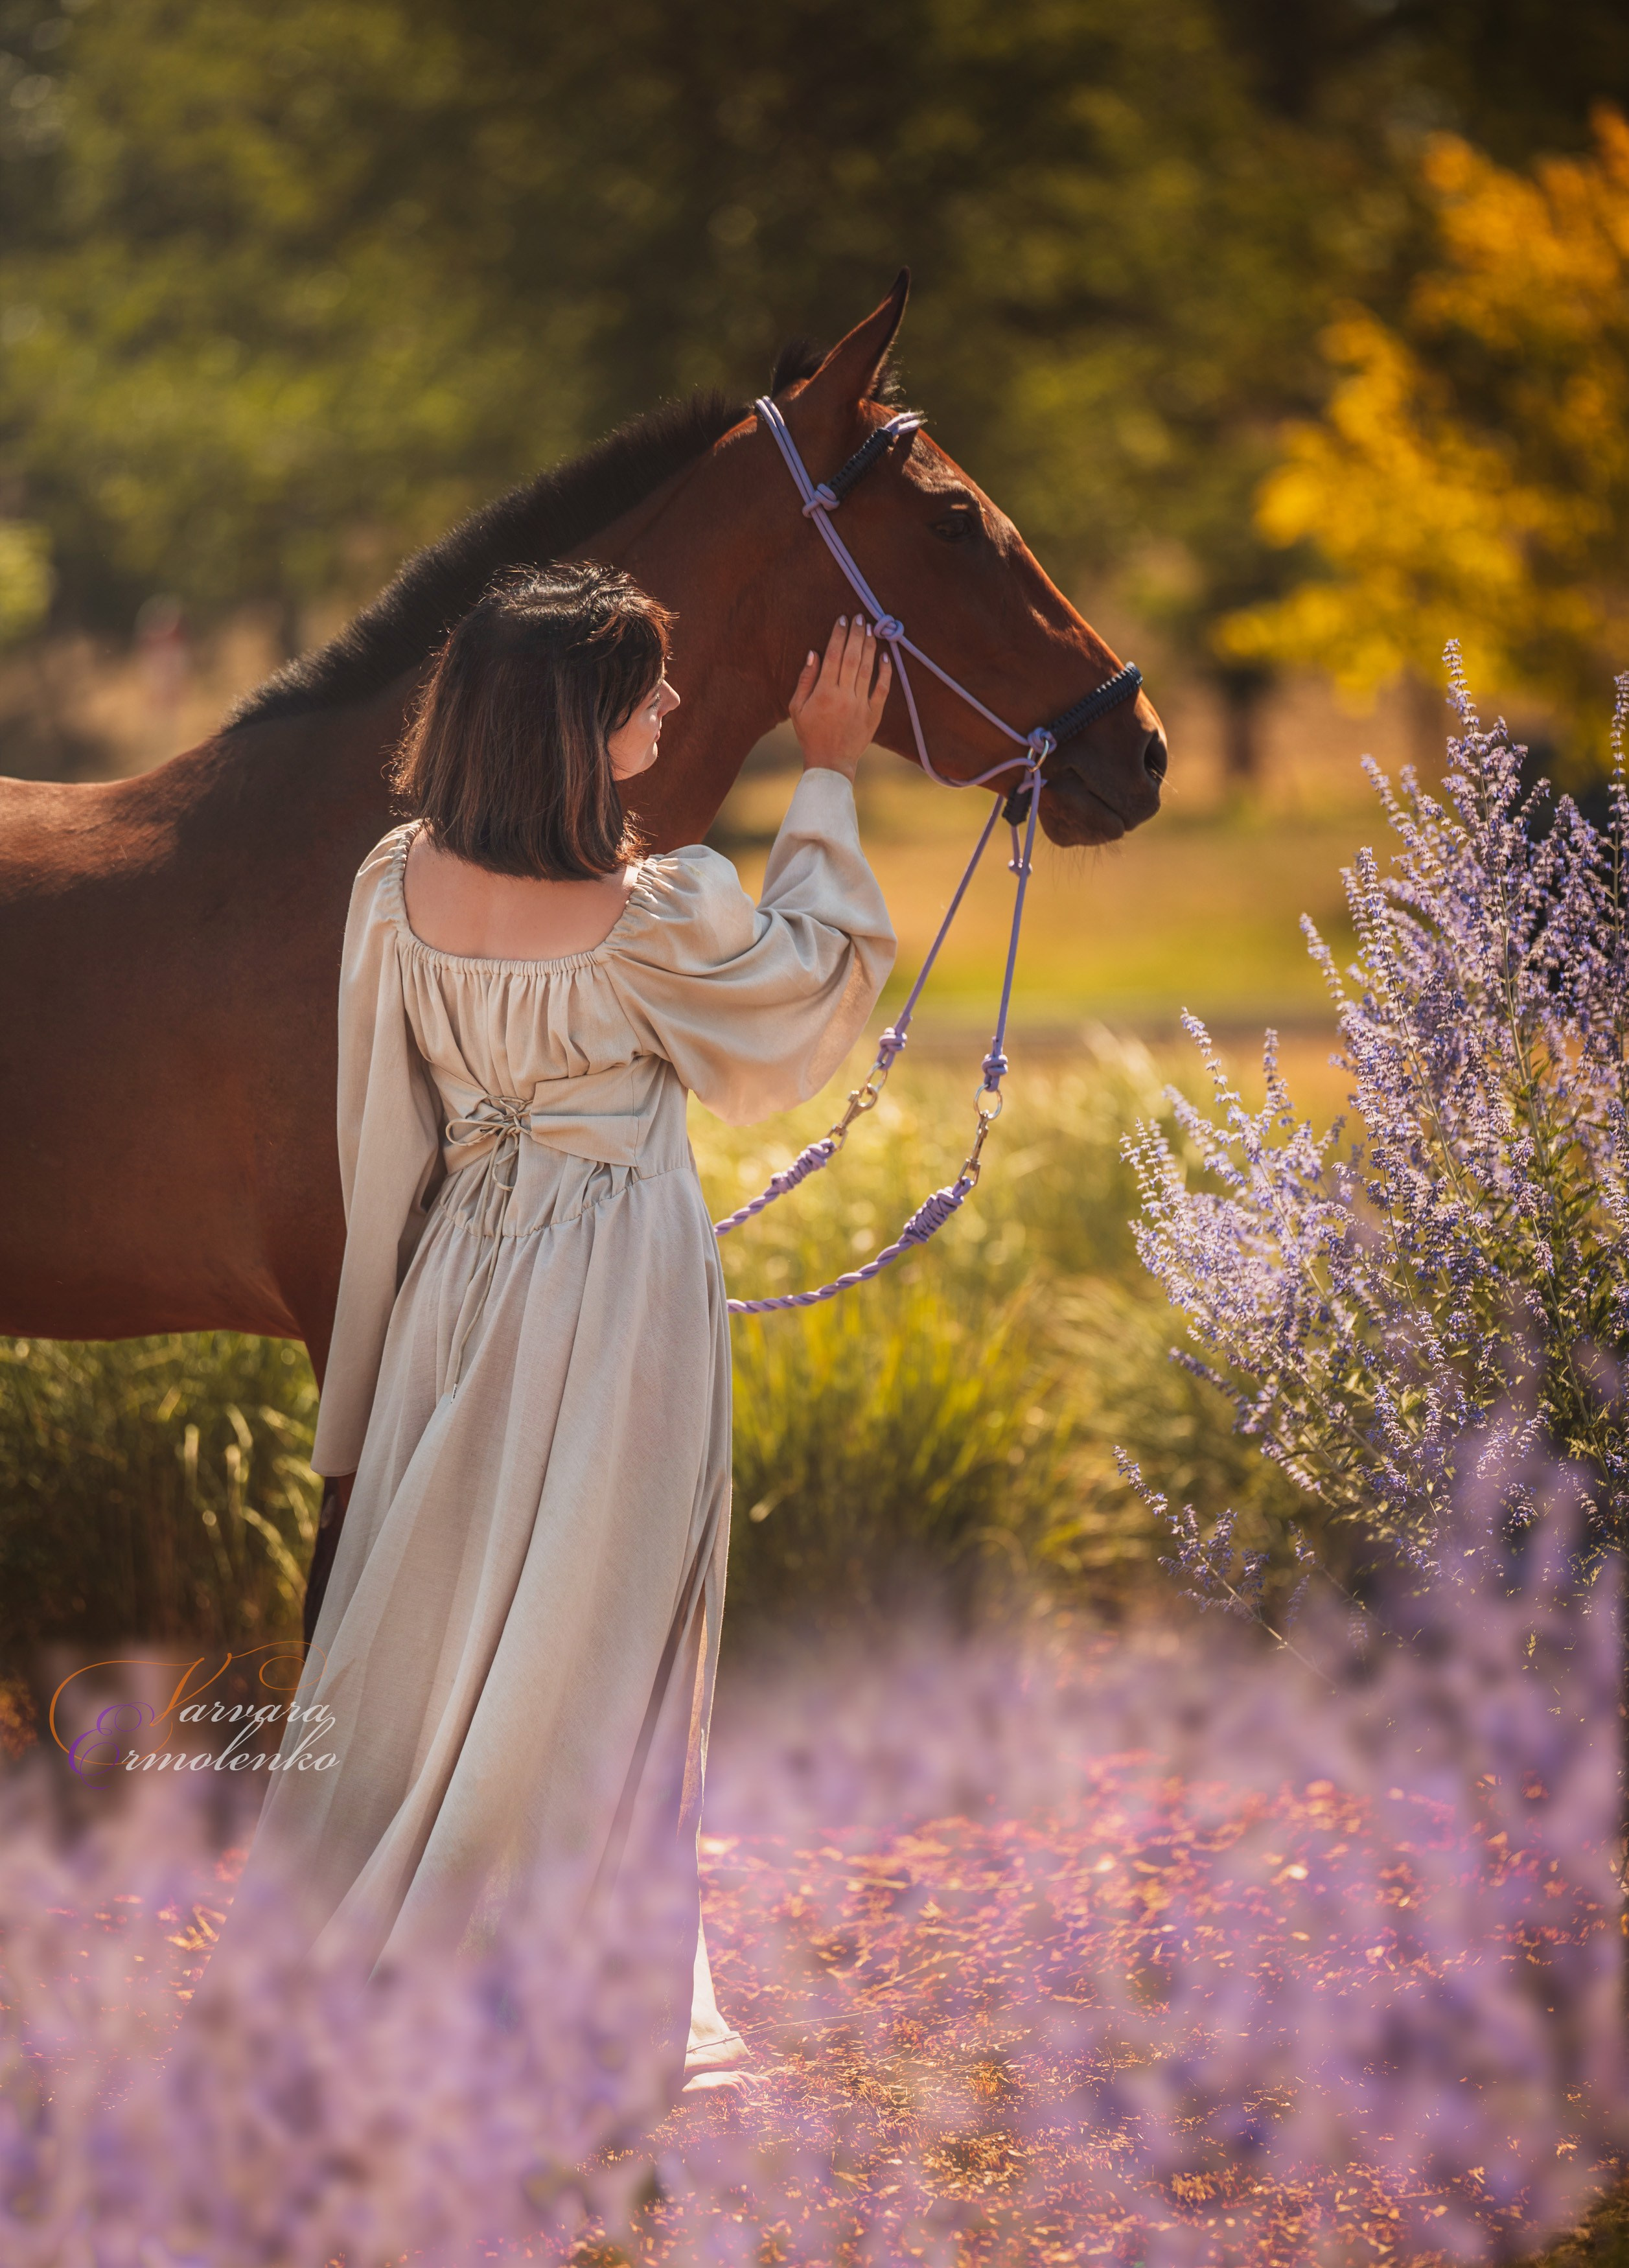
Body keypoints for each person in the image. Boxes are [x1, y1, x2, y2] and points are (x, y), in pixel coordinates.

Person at [199, 561, 896, 2103]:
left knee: (437, 1604)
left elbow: (383, 1126)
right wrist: (830, 774)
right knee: (606, 1612)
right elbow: (798, 1006)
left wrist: (375, 1350)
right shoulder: (654, 918)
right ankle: (568, 1999)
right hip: (613, 1293)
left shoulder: (397, 884)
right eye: (642, 688)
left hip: (459, 1274)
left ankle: (388, 1950)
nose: (666, 706)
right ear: (579, 726)